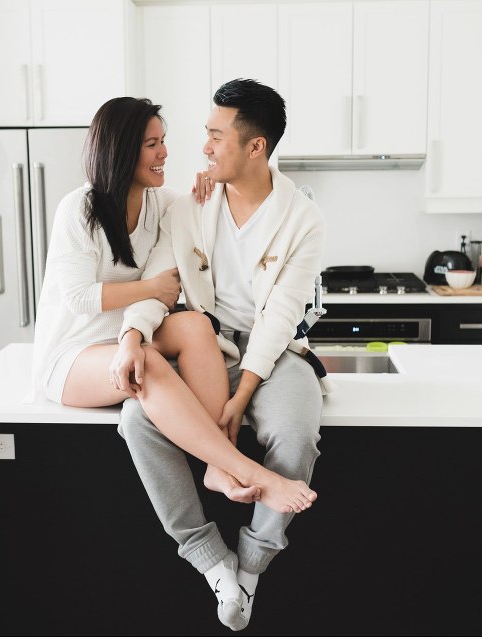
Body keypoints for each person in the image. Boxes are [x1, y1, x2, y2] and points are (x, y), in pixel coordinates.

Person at [30, 95, 317, 548]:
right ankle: (231, 467)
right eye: (151, 144)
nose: (166, 152)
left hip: (126, 340)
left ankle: (217, 468)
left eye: (163, 141)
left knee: (195, 327)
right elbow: (83, 297)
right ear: (121, 150)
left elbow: (197, 219)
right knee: (151, 364)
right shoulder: (79, 210)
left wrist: (213, 185)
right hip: (73, 355)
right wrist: (146, 299)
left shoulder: (164, 204)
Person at [115, 79, 328, 632]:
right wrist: (133, 336)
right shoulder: (190, 206)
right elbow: (158, 285)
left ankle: (252, 565)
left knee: (295, 434)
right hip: (207, 346)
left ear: (255, 147)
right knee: (137, 419)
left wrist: (242, 394)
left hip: (275, 354)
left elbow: (280, 316)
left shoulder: (303, 218)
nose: (204, 147)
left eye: (216, 135)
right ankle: (211, 562)